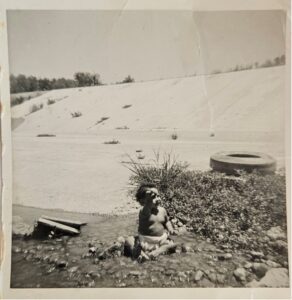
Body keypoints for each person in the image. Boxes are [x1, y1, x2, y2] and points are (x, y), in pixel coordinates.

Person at [124, 183, 177, 262]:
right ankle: (141, 253)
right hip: (145, 240)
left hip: (161, 239)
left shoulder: (162, 210)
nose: (157, 199)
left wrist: (171, 229)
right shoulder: (144, 211)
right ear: (142, 201)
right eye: (153, 197)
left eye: (158, 196)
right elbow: (147, 208)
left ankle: (156, 252)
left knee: (173, 244)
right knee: (129, 240)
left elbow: (166, 221)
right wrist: (149, 201)